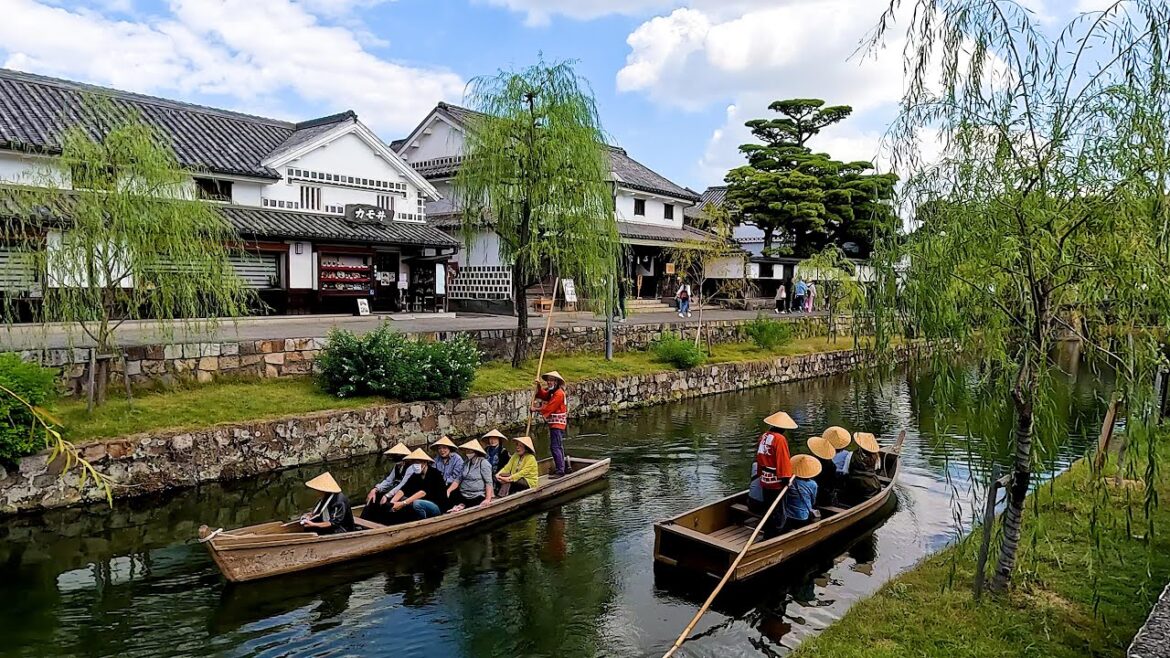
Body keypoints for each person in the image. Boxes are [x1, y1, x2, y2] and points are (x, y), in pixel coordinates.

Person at [747, 410, 796, 537]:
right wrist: (786, 478)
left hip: (764, 478)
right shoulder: (780, 439)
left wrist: (759, 473)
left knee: (768, 505)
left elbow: (759, 457)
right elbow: (783, 459)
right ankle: (776, 531)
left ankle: (768, 528)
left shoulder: (764, 436)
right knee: (778, 508)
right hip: (776, 480)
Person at [384, 448, 450, 522]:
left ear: (425, 463)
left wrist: (403, 503)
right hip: (423, 502)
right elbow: (404, 489)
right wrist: (392, 503)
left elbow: (423, 492)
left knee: (416, 503)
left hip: (436, 506)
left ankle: (422, 522)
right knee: (402, 499)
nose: (415, 465)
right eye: (414, 463)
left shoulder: (434, 473)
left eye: (418, 462)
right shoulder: (416, 475)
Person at [362, 442, 419, 524]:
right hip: (395, 492)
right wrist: (375, 489)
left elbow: (402, 485)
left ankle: (384, 524)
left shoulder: (411, 468)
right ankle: (365, 521)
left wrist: (387, 495)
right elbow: (389, 481)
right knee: (375, 497)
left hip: (406, 494)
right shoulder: (397, 466)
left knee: (387, 503)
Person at [533, 371, 569, 478]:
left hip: (558, 424)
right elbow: (543, 395)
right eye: (548, 380)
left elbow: (550, 407)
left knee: (555, 446)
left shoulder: (559, 394)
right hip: (554, 424)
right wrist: (538, 386)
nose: (549, 382)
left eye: (551, 380)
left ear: (556, 382)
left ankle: (560, 471)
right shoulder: (552, 392)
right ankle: (561, 467)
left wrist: (535, 409)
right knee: (557, 446)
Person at [447, 439, 495, 512]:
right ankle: (459, 505)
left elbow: (489, 482)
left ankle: (461, 506)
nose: (467, 453)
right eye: (466, 451)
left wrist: (488, 499)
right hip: (463, 493)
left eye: (470, 451)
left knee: (476, 502)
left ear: (475, 452)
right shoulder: (466, 463)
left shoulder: (483, 463)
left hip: (477, 494)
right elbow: (458, 479)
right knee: (448, 493)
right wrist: (449, 490)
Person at [841, 432, 883, 505]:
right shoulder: (877, 457)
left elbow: (845, 471)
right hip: (871, 487)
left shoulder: (851, 454)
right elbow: (877, 469)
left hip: (853, 486)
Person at [783, 454, 821, 532]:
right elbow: (813, 501)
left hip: (788, 515)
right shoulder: (812, 484)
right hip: (803, 517)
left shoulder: (790, 482)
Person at [806, 435, 839, 507]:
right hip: (824, 495)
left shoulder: (811, 462)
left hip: (817, 494)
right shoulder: (832, 465)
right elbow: (832, 484)